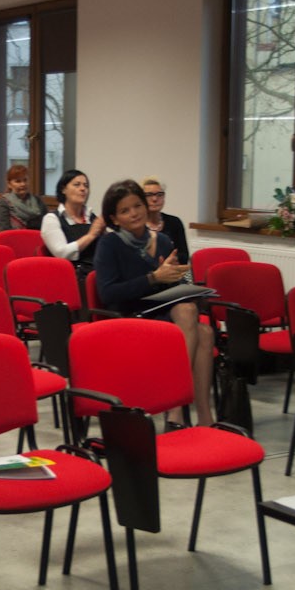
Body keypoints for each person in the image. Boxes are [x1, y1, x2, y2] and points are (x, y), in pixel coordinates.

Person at [94, 179, 213, 429]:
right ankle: (177, 410)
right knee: (189, 315)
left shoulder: (164, 241)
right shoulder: (109, 244)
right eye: (125, 210)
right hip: (129, 316)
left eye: (138, 206)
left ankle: (203, 417)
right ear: (114, 218)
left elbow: (170, 288)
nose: (134, 213)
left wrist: (176, 278)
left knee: (204, 330)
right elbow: (108, 293)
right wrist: (153, 278)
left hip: (162, 311)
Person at [40, 169, 105, 283]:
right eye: (77, 185)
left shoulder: (91, 216)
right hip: (74, 278)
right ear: (63, 189)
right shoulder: (52, 219)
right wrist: (90, 236)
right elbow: (62, 253)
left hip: (99, 273)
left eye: (86, 185)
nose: (83, 189)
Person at [141, 176, 191, 265]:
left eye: (159, 194)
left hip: (173, 269)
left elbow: (184, 256)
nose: (155, 199)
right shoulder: (137, 225)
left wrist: (172, 261)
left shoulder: (175, 222)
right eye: (149, 195)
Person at [0, 163, 44, 231]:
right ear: (9, 184)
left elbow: (46, 225)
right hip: (12, 237)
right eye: (18, 181)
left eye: (25, 180)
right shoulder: (4, 202)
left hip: (36, 236)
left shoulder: (38, 201)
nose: (23, 184)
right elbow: (4, 229)